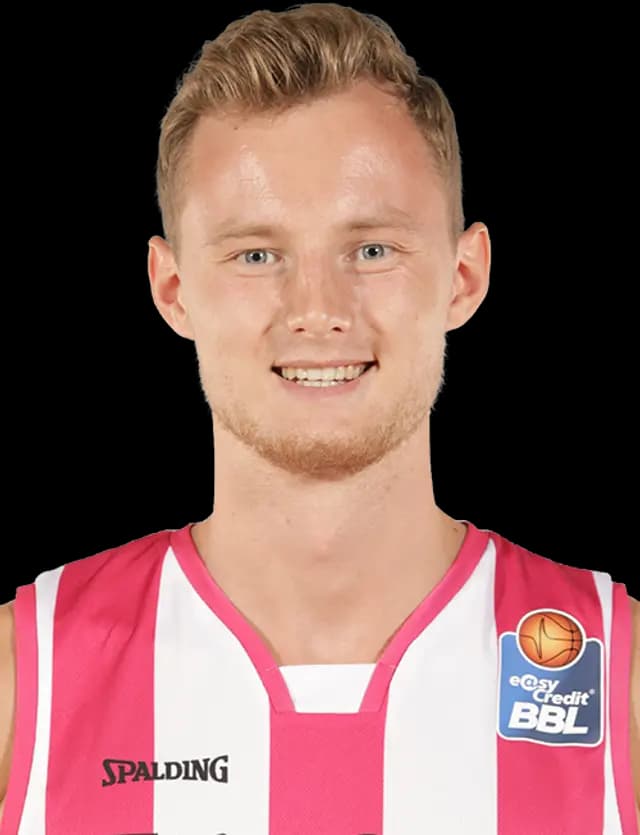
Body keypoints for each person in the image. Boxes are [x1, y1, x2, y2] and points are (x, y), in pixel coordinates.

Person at [0, 3, 638, 832]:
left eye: (371, 249)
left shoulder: (620, 676)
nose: (318, 310)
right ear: (173, 289)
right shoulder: (25, 678)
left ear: (464, 276)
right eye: (257, 254)